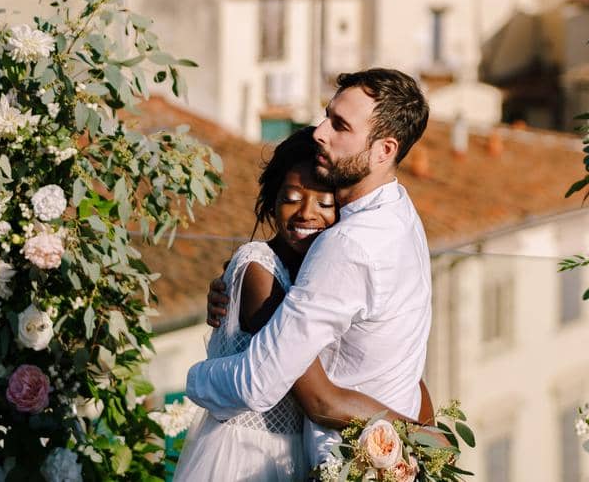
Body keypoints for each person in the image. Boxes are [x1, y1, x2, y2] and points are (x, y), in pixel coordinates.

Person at [186, 69, 434, 469]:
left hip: (345, 466)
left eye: (340, 126)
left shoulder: (348, 244)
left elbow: (260, 383)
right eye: (326, 116)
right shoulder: (402, 213)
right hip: (384, 461)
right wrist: (241, 284)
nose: (320, 131)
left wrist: (197, 377)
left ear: (384, 150)